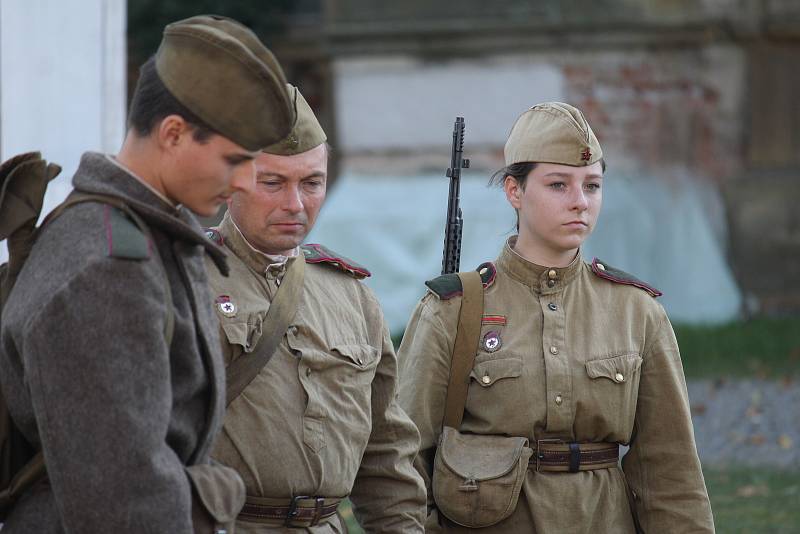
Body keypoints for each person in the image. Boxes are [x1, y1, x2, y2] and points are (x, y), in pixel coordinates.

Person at [0, 15, 295, 533]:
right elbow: (125, 504)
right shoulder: (107, 267)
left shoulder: (143, 234)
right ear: (174, 133)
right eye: (235, 159)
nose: (247, 182)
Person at [398, 102, 715, 533]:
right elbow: (404, 460)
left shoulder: (636, 312)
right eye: (558, 185)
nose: (580, 203)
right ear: (514, 191)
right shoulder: (454, 310)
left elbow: (670, 469)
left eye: (593, 185)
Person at [203, 84, 426, 533]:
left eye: (312, 183)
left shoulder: (351, 294)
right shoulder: (187, 280)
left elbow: (386, 451)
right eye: (272, 183)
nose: (295, 204)